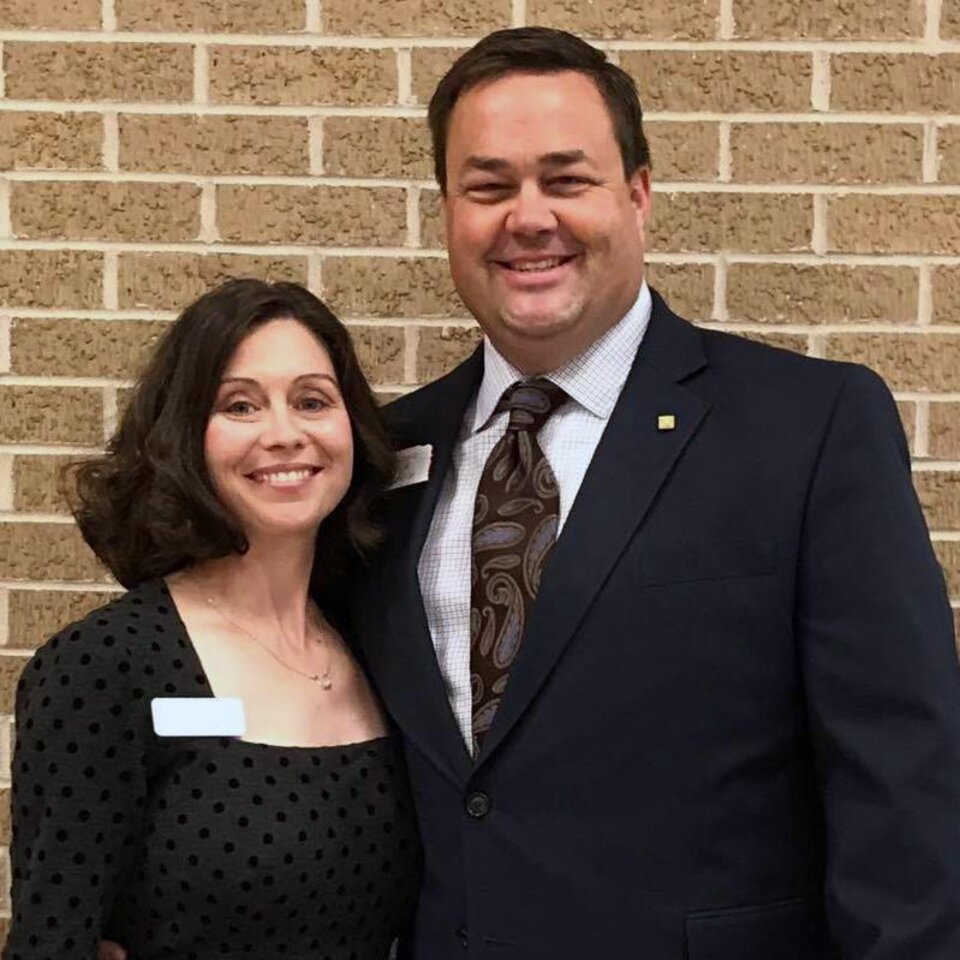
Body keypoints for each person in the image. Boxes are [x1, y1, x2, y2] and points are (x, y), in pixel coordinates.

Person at [346, 27, 960, 959]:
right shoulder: (384, 454)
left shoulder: (809, 428)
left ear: (638, 195)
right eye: (488, 186)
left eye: (566, 179)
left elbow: (904, 780)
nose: (528, 216)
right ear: (446, 211)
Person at [5, 279, 421, 960]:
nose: (284, 434)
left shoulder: (376, 643)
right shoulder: (105, 667)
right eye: (240, 405)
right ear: (186, 435)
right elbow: (51, 942)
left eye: (312, 400)